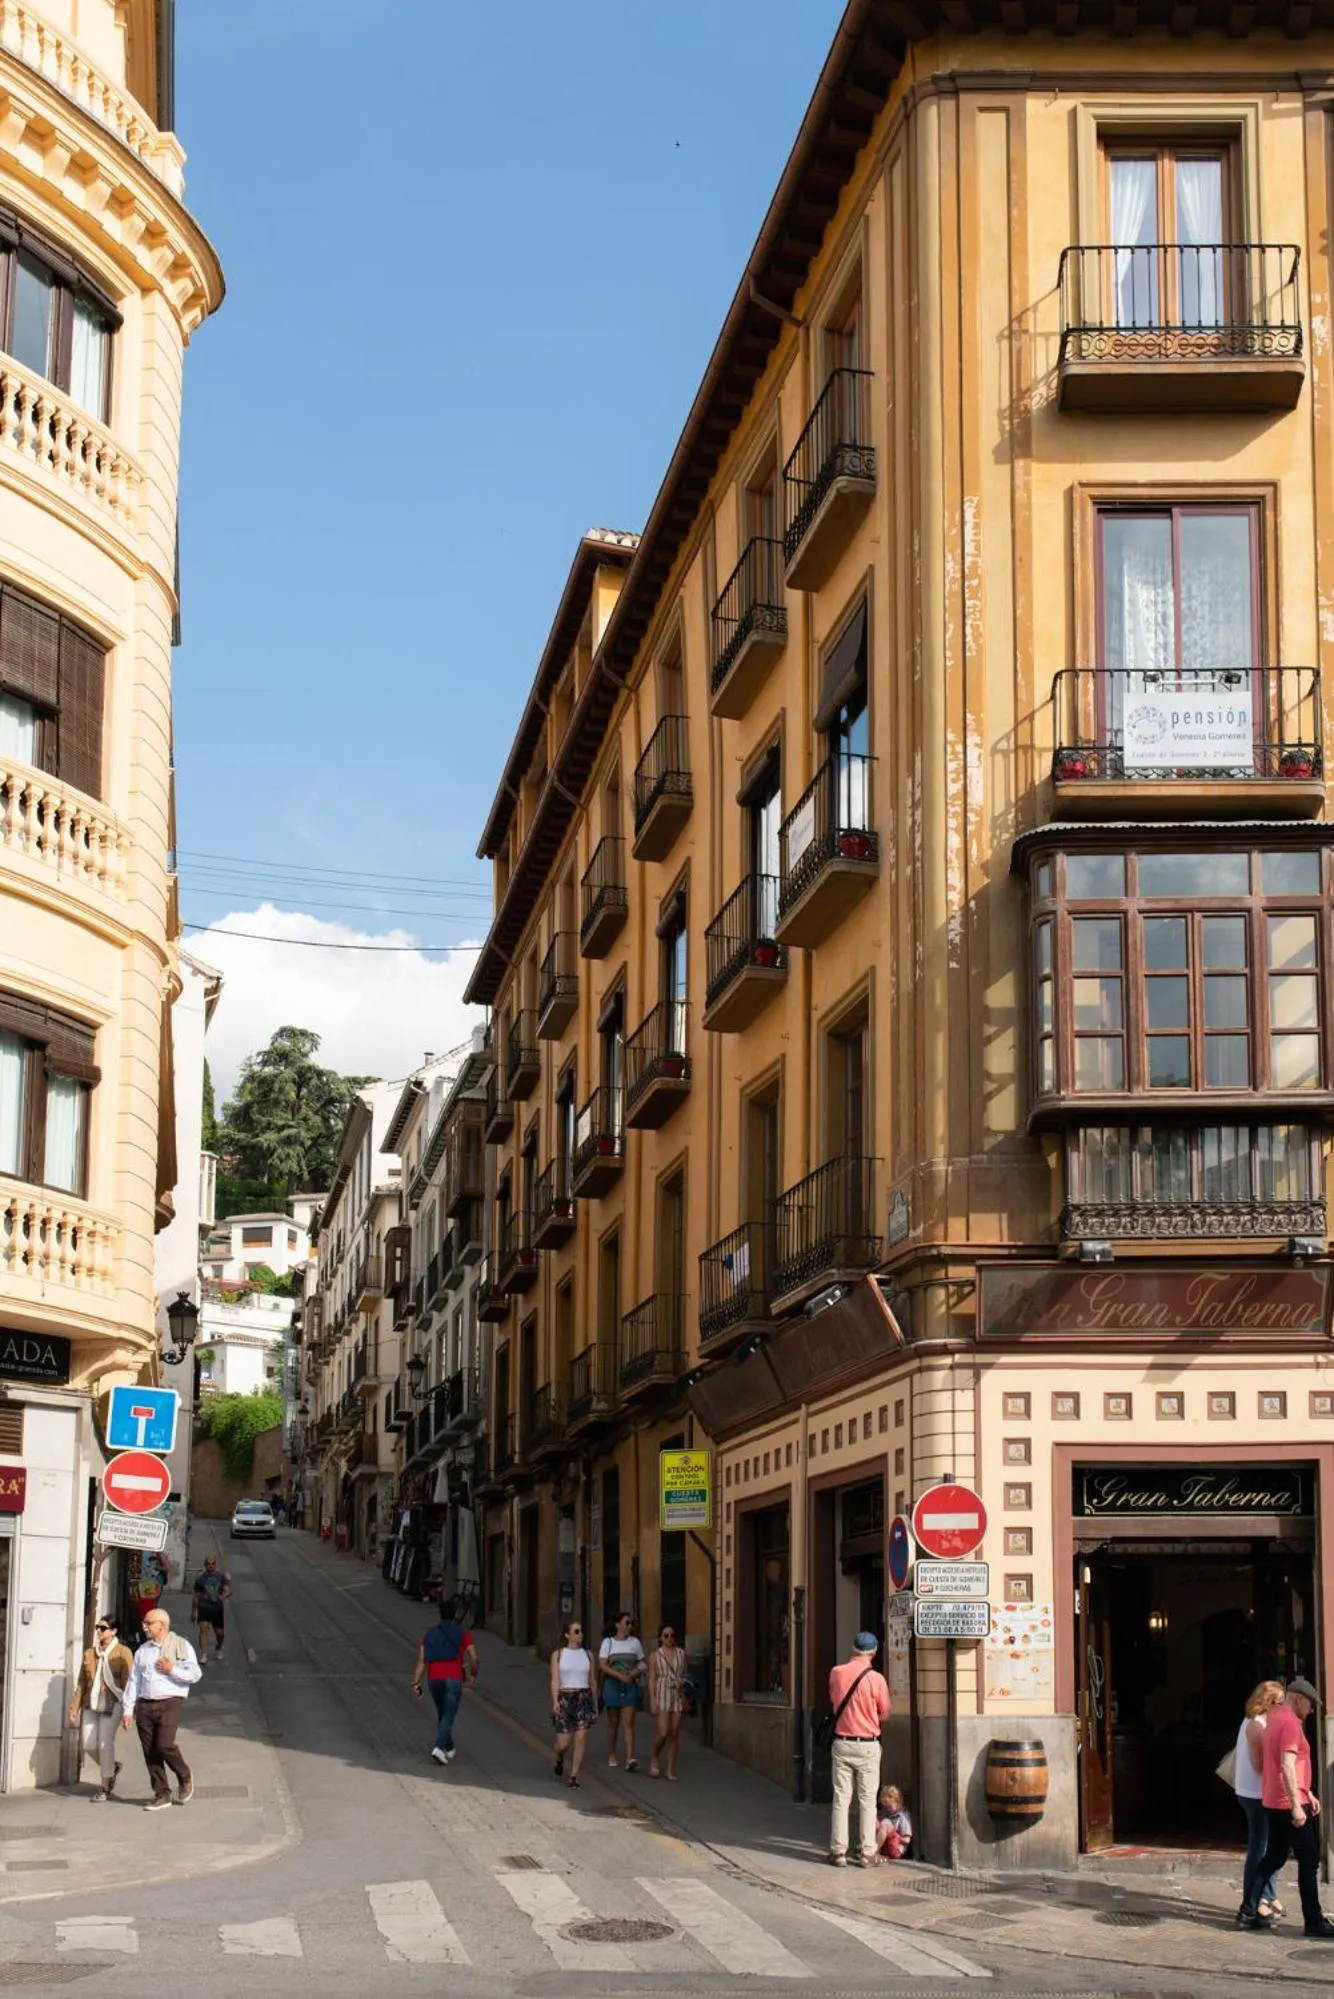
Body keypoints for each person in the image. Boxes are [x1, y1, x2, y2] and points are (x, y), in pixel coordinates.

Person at [1241, 1675, 1334, 1937]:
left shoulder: (1274, 1719)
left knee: (1274, 1856)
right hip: (1288, 1803)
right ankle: (1314, 1921)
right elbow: (1286, 1765)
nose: (1312, 1710)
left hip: (1274, 1800)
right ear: (1299, 1699)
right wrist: (1297, 1804)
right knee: (1310, 1859)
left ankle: (1248, 1909)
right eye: (1310, 1704)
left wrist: (1308, 1792)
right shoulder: (1291, 1724)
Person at [121, 1607, 201, 1812]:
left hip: (170, 1701)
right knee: (150, 1750)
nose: (145, 1627)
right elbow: (134, 1680)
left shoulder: (181, 1645)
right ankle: (161, 1793)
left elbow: (194, 1674)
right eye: (145, 1623)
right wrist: (128, 1710)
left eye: (149, 1623)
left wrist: (171, 1669)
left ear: (161, 1625)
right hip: (146, 1703)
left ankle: (184, 1775)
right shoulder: (143, 1650)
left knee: (164, 1745)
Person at [827, 1631, 890, 1867]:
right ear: (873, 1652)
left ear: (853, 1649)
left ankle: (838, 1851)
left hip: (842, 1741)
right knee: (867, 1800)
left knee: (841, 1799)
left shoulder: (836, 1672)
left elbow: (834, 1702)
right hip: (868, 1744)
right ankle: (866, 1852)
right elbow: (885, 1713)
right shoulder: (877, 1679)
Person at [1234, 1680, 1285, 1922]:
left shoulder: (1263, 1722)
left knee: (1273, 1845)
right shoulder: (1255, 1725)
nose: (1281, 1707)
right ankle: (1253, 1901)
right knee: (1260, 1847)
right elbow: (1258, 1764)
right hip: (1255, 1794)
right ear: (1266, 1702)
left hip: (1262, 1792)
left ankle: (1267, 1894)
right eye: (1277, 1702)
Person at [68, 1616, 133, 1802]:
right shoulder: (89, 1653)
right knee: (88, 1745)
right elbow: (82, 1682)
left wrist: (129, 1710)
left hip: (113, 1703)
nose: (99, 1631)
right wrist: (74, 1707)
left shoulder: (123, 1652)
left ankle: (104, 1786)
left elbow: (130, 1682)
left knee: (105, 1743)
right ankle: (111, 1767)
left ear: (113, 1631)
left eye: (103, 1628)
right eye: (97, 1627)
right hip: (91, 1702)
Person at [411, 1594, 478, 1765]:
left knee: (443, 1714)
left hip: (434, 1679)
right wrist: (473, 1675)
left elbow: (422, 1660)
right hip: (453, 1679)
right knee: (448, 1714)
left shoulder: (429, 1635)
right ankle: (439, 1747)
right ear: (455, 1613)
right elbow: (474, 1657)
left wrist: (416, 1681)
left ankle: (450, 1747)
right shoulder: (462, 1633)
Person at [550, 1619, 597, 1788]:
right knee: (563, 1744)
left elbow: (592, 1681)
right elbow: (555, 1681)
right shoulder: (558, 1655)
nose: (580, 1634)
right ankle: (560, 1757)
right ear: (567, 1634)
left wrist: (595, 1704)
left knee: (581, 1736)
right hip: (565, 1696)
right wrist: (555, 1701)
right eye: (576, 1631)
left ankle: (574, 1775)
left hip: (583, 1697)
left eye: (581, 1631)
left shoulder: (588, 1655)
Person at [599, 1611, 645, 1770]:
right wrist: (618, 1675)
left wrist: (632, 1673)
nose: (630, 1626)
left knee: (629, 1722)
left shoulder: (635, 1643)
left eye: (631, 1623)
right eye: (627, 1623)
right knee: (613, 1722)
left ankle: (630, 1758)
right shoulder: (608, 1643)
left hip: (630, 1684)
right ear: (618, 1625)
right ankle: (611, 1753)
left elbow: (642, 1663)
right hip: (613, 1685)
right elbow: (603, 1665)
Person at [647, 1623, 687, 1781]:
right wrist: (652, 1699)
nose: (669, 1638)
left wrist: (684, 1691)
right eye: (666, 1636)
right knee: (663, 1732)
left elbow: (685, 1674)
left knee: (674, 1733)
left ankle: (671, 1767)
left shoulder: (682, 1654)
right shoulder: (655, 1655)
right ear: (660, 1638)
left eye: (672, 1635)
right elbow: (652, 1679)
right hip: (662, 1692)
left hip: (677, 1693)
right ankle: (655, 1756)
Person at [191, 1555, 231, 1661]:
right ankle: (204, 1654)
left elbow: (228, 1590)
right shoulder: (200, 1579)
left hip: (217, 1609)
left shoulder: (221, 1577)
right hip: (204, 1607)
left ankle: (218, 1647)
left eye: (213, 1564)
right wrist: (193, 1612)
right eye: (208, 1564)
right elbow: (196, 1596)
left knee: (220, 1633)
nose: (211, 1566)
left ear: (215, 1565)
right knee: (203, 1630)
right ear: (205, 1565)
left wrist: (222, 1597)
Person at [872, 1783, 913, 1862]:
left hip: (897, 1849)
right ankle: (870, 1848)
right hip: (887, 1846)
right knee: (875, 1821)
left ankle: (874, 1851)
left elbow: (907, 1840)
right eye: (886, 1806)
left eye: (890, 1806)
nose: (888, 1809)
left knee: (885, 1822)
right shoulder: (891, 1815)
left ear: (899, 1801)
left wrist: (894, 1835)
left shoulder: (903, 1817)